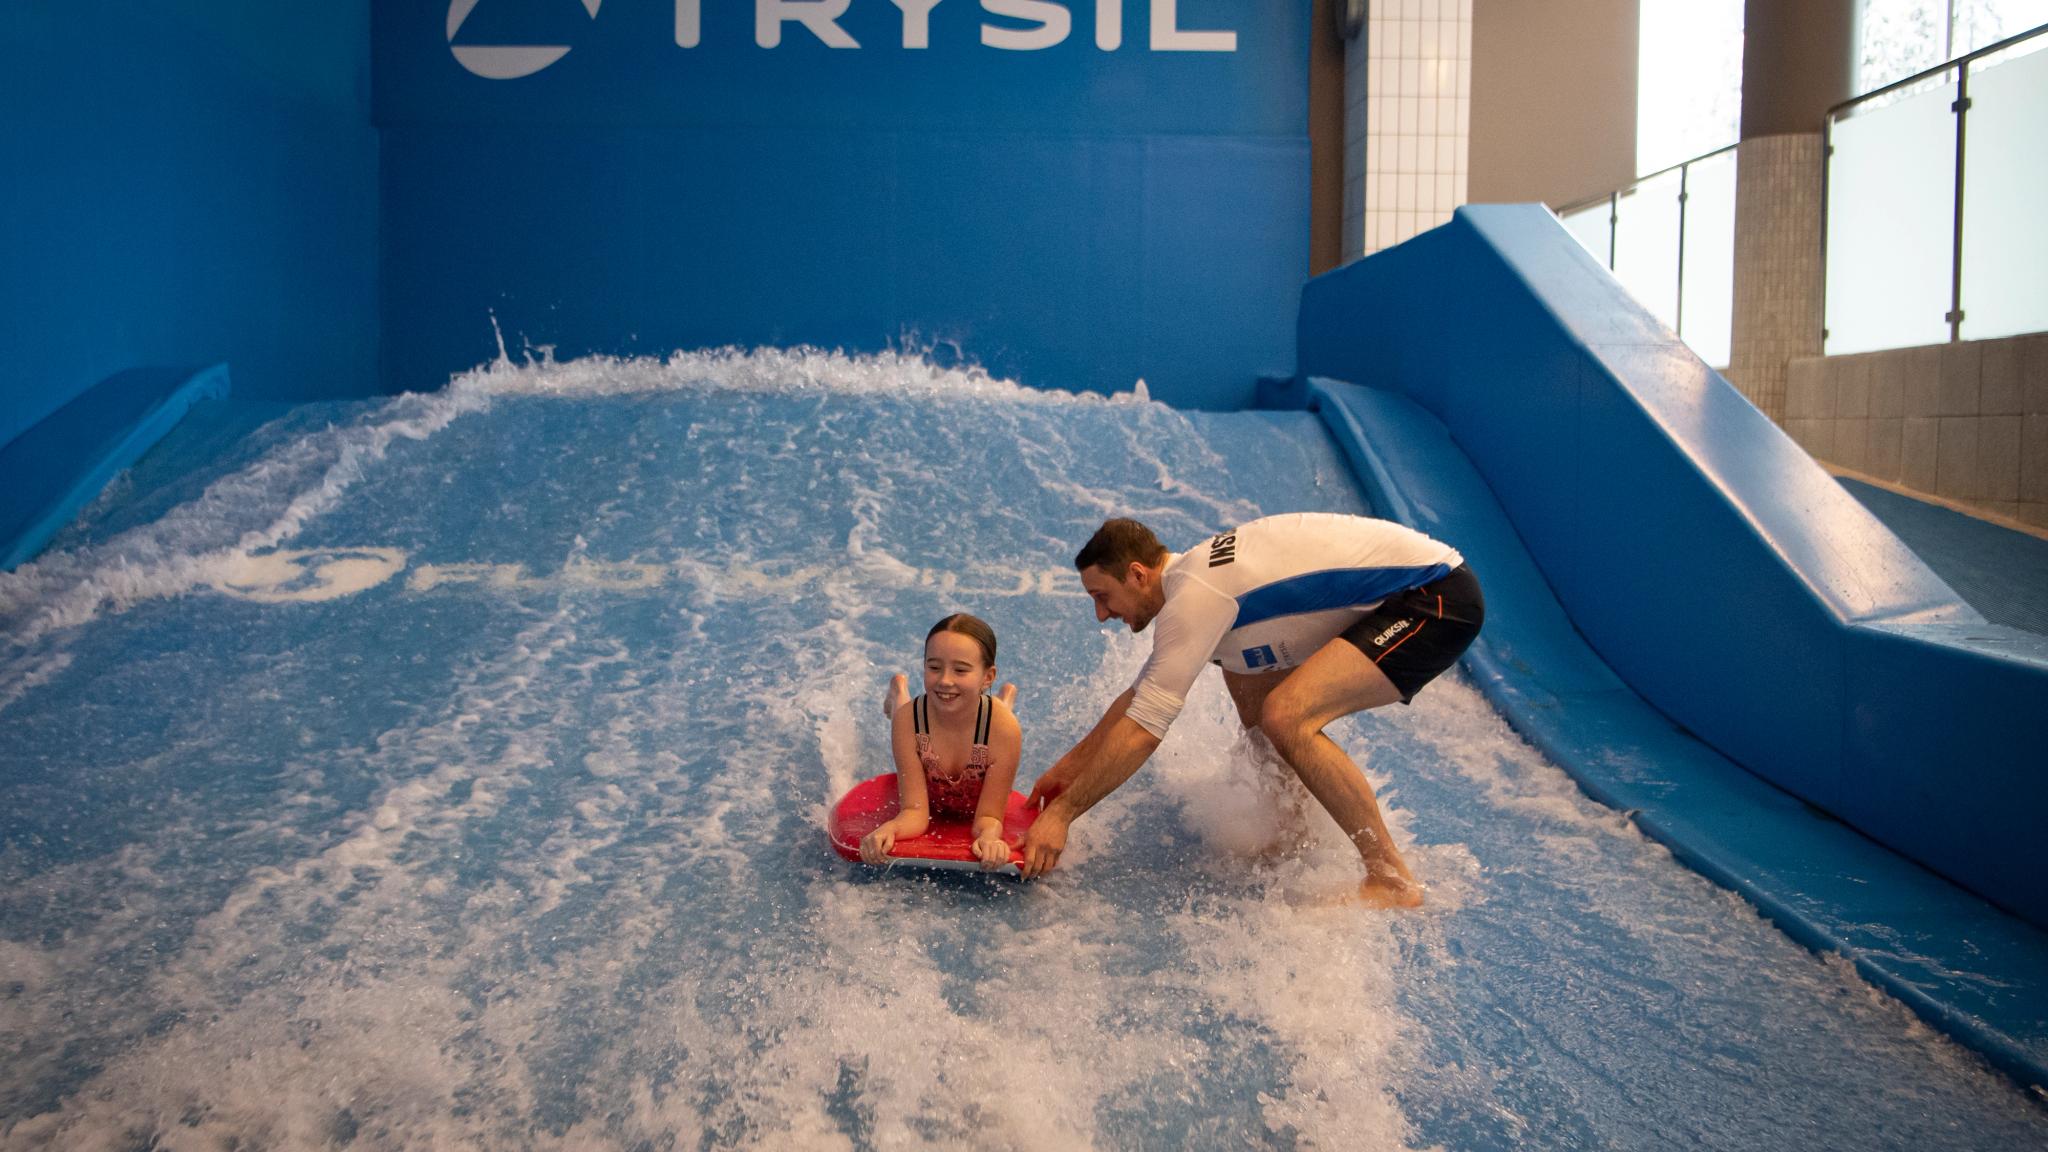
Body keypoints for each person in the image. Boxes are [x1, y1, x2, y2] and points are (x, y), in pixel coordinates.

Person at [1020, 514, 1484, 907]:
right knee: (1250, 691)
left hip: (1435, 598)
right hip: (1407, 590)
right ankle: (1293, 836)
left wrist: (1063, 814)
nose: (1101, 614)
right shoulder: (1195, 586)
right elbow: (1139, 697)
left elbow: (1145, 728)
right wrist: (1069, 768)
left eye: (1103, 596)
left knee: (1288, 715)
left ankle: (1390, 878)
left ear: (1138, 575)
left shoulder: (1196, 597)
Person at [862, 614, 1023, 870]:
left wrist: (990, 836)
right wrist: (889, 828)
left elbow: (989, 815)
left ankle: (1005, 698)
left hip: (989, 721)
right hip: (919, 719)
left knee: (999, 718)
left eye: (960, 670)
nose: (944, 680)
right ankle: (899, 691)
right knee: (904, 715)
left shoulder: (1004, 731)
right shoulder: (908, 722)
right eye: (934, 667)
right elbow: (915, 812)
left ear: (988, 676)